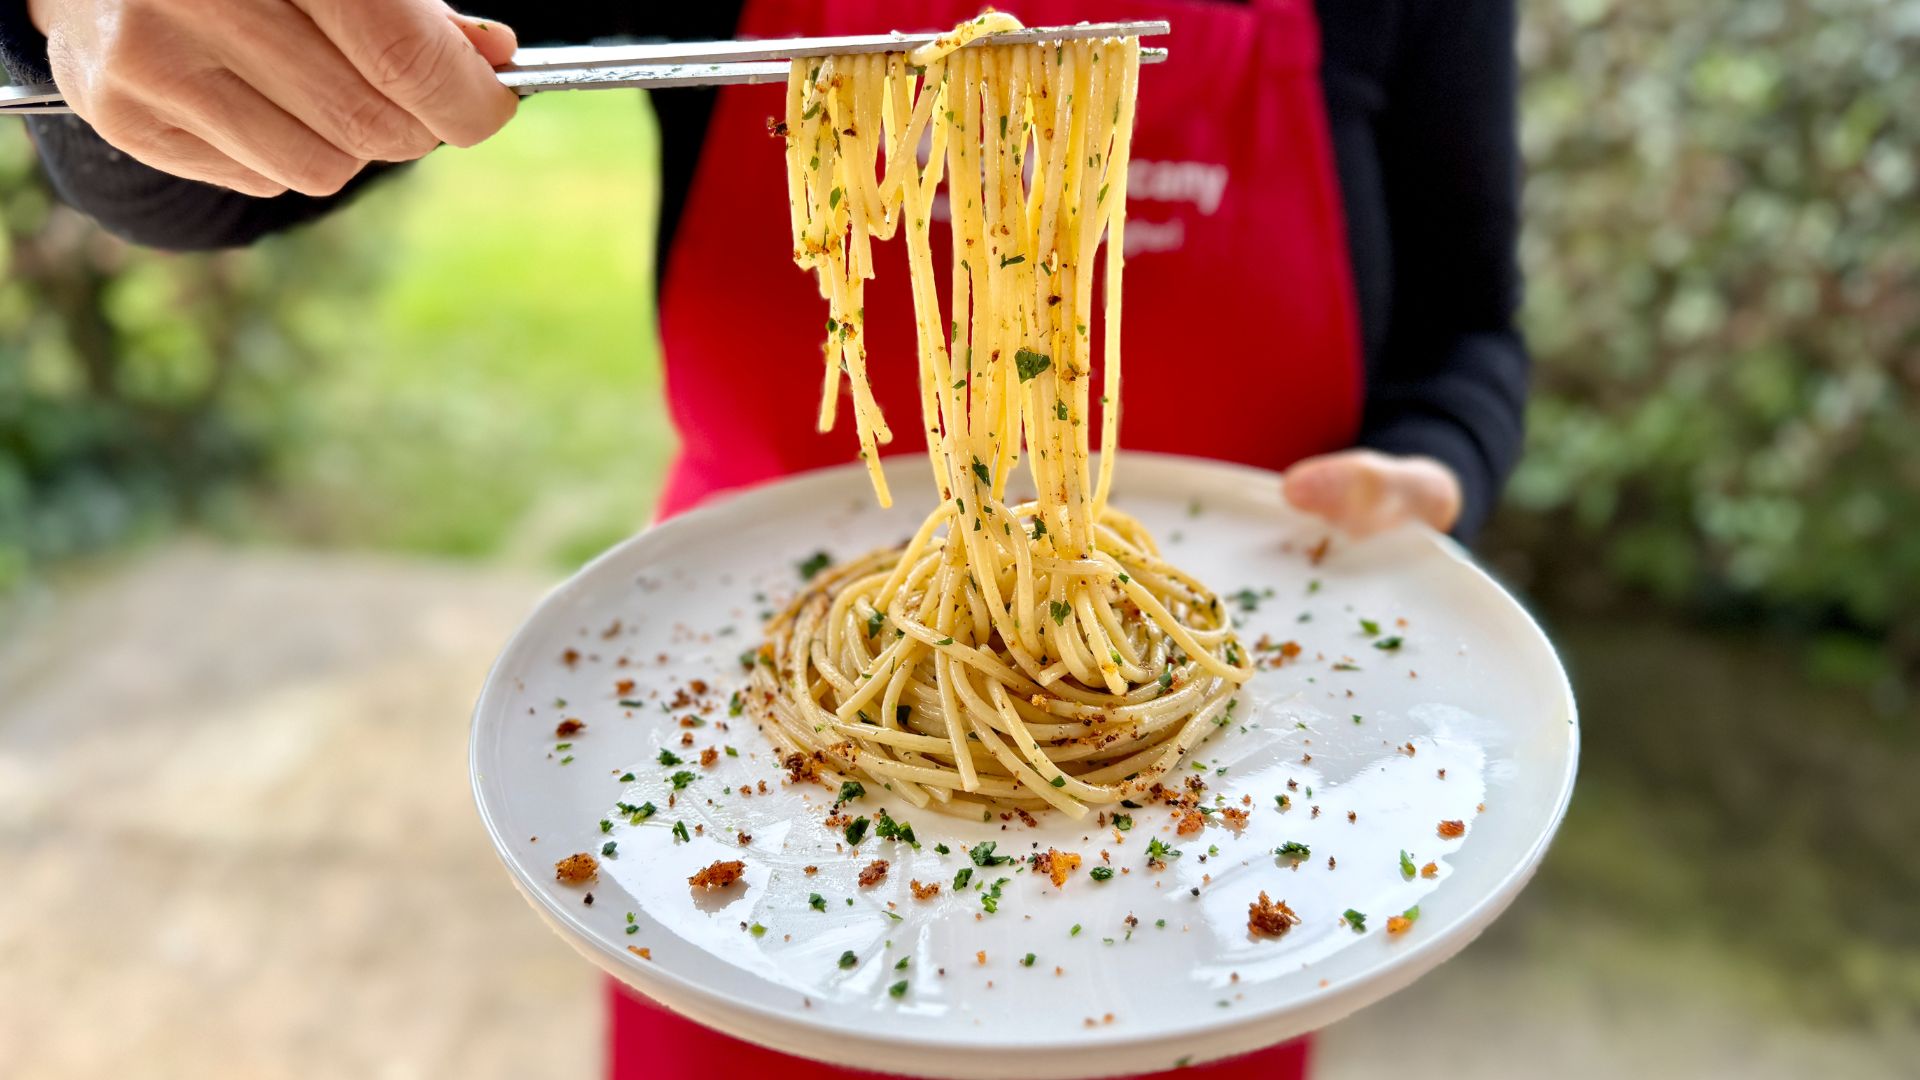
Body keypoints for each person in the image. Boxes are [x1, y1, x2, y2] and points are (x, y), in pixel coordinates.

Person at [0, 1, 1527, 1077]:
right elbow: (206, 175)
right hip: (745, 864)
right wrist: (87, 17)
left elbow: (1471, 333)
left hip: (1210, 875)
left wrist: (1435, 462)